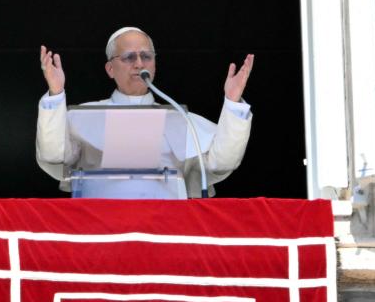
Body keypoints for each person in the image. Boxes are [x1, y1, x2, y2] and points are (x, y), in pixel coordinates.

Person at [36, 27, 254, 197]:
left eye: (146, 56)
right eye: (129, 57)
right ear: (110, 69)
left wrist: (233, 103)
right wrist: (56, 94)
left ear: (155, 65)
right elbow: (53, 155)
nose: (139, 63)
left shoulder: (179, 117)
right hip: (99, 224)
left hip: (165, 225)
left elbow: (222, 162)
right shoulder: (84, 117)